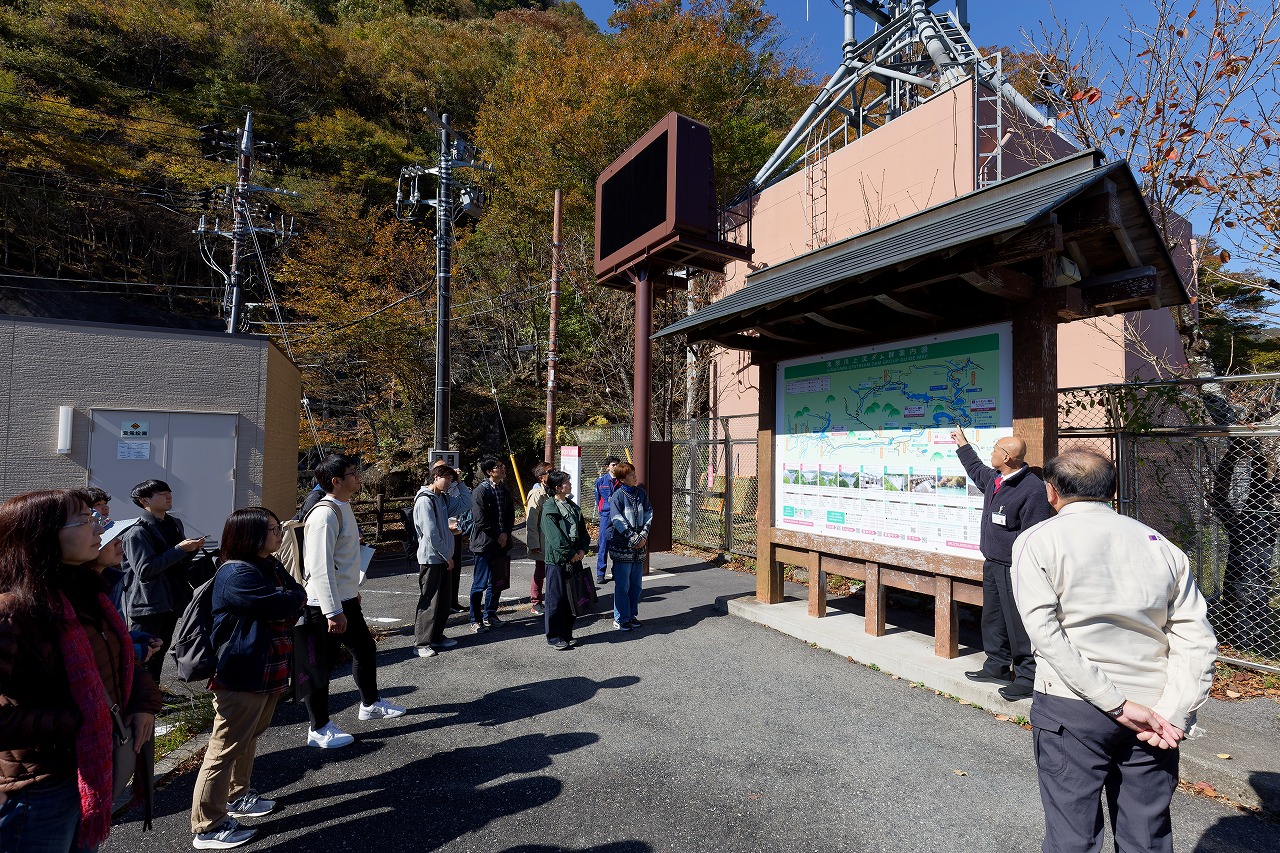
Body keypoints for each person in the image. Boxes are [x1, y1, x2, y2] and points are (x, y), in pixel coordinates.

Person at [1012, 450, 1217, 853]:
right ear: (1114, 490)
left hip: (1073, 705)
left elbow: (1046, 634)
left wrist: (1115, 703)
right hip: (1155, 710)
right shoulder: (1162, 546)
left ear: (1051, 492)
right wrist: (1176, 711)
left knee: (1073, 834)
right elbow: (1196, 637)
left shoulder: (1038, 541)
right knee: (1147, 834)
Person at [0, 489, 160, 852]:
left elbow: (119, 666)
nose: (99, 531)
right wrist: (82, 720)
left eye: (96, 520)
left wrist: (143, 703)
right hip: (38, 784)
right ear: (40, 535)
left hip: (86, 771)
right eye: (85, 522)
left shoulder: (89, 593)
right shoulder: (13, 610)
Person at [189, 508, 307, 850]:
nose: (278, 534)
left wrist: (292, 599)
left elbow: (293, 593)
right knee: (223, 748)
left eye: (276, 528)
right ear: (249, 534)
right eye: (271, 529)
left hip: (266, 668)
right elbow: (283, 603)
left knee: (249, 736)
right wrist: (292, 600)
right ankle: (207, 825)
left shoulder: (267, 564)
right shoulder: (236, 572)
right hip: (243, 672)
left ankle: (238, 795)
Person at [294, 454, 405, 750]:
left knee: (365, 649)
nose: (358, 477)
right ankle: (318, 727)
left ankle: (369, 704)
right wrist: (333, 610)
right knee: (321, 665)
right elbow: (318, 567)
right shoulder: (324, 513)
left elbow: (340, 559)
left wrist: (352, 589)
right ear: (336, 481)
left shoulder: (342, 507)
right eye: (353, 473)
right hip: (324, 606)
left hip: (344, 599)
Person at [951, 425, 1052, 701]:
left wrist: (1024, 566)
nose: (991, 453)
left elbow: (1034, 534)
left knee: (1018, 623)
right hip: (993, 562)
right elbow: (975, 468)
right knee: (993, 617)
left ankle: (1027, 676)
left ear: (1007, 457)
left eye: (995, 449)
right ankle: (996, 665)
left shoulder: (1032, 490)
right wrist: (962, 443)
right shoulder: (997, 479)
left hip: (1015, 567)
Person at [122, 479, 208, 681]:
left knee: (160, 651)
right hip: (148, 604)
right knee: (142, 654)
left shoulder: (173, 523)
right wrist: (180, 549)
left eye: (169, 491)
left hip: (171, 600)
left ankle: (155, 694)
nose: (168, 496)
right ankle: (136, 701)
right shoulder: (137, 532)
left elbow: (174, 562)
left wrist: (191, 550)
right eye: (161, 493)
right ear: (144, 501)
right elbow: (145, 569)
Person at [411, 464, 462, 658]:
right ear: (435, 477)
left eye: (451, 479)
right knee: (429, 600)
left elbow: (465, 503)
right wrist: (447, 556)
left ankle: (437, 637)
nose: (449, 482)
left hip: (442, 556)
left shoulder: (441, 498)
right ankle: (421, 642)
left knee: (443, 600)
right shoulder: (425, 500)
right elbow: (430, 534)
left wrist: (461, 482)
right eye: (446, 479)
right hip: (431, 558)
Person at [540, 471, 590, 651]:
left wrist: (583, 549)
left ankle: (567, 633)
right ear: (557, 487)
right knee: (556, 599)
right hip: (557, 561)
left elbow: (584, 533)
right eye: (566, 482)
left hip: (575, 558)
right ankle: (554, 636)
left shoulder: (573, 506)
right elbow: (554, 538)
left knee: (572, 598)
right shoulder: (549, 508)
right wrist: (570, 553)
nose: (569, 484)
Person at [468, 458, 514, 633]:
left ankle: (491, 614)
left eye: (502, 466)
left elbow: (510, 513)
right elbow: (480, 519)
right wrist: (498, 535)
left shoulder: (504, 488)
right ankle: (475, 619)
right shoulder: (480, 491)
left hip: (502, 543)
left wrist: (506, 533)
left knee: (497, 581)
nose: (503, 469)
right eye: (499, 467)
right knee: (479, 584)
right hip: (485, 544)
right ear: (489, 472)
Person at [607, 462, 652, 632]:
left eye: (634, 473)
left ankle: (632, 615)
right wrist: (633, 537)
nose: (635, 477)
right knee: (622, 585)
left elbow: (649, 514)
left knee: (636, 585)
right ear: (622, 479)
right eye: (631, 475)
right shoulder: (618, 496)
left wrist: (643, 535)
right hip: (622, 547)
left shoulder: (641, 493)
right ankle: (621, 618)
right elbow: (617, 519)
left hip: (639, 548)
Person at [525, 462, 552, 617]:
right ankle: (536, 602)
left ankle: (549, 599)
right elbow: (531, 521)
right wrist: (533, 543)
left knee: (550, 571)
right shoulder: (536, 494)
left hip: (551, 540)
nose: (554, 473)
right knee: (541, 571)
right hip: (542, 540)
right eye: (550, 471)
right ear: (541, 477)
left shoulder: (550, 491)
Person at [593, 456, 621, 584]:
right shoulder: (601, 481)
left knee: (618, 544)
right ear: (607, 467)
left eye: (617, 464)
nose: (615, 467)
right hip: (606, 515)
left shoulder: (622, 481)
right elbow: (598, 498)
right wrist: (603, 510)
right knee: (603, 544)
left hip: (619, 516)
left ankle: (616, 572)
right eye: (613, 465)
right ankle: (600, 573)